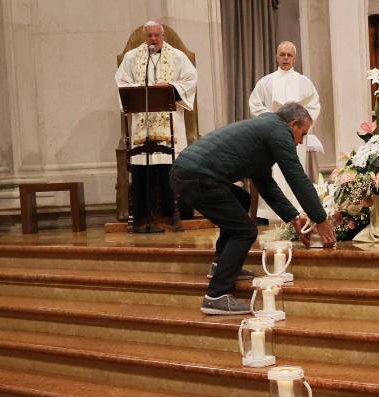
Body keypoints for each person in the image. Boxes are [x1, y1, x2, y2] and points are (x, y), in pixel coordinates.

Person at [171, 103, 336, 315]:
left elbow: (265, 184)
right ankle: (216, 295)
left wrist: (293, 217)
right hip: (197, 177)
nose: (301, 141)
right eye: (302, 133)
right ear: (293, 124)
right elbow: (296, 177)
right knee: (245, 231)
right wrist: (320, 219)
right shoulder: (279, 132)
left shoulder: (267, 127)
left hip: (187, 172)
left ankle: (221, 264)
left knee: (241, 199)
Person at [115, 19, 197, 233]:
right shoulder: (132, 58)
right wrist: (139, 88)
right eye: (149, 35)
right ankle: (143, 219)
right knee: (143, 168)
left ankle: (169, 217)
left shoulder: (177, 57)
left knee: (168, 168)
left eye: (156, 35)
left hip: (170, 125)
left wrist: (170, 87)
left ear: (163, 35)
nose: (153, 39)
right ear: (145, 37)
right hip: (142, 127)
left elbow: (190, 80)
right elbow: (122, 83)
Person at [248, 41, 323, 224]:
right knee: (273, 172)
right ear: (277, 57)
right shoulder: (266, 82)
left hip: (295, 135)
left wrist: (300, 124)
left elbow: (313, 106)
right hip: (272, 135)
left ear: (294, 58)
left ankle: (297, 212)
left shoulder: (304, 82)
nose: (286, 58)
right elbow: (255, 105)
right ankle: (269, 213)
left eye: (289, 55)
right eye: (282, 54)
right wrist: (273, 117)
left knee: (294, 171)